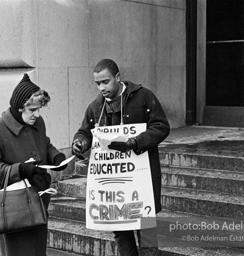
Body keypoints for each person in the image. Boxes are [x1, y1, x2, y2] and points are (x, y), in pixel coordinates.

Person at [72, 59, 170, 256]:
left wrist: (135, 142)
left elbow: (161, 127)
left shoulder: (144, 97)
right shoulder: (95, 107)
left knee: (147, 232)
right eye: (98, 84)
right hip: (114, 188)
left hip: (141, 182)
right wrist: (80, 142)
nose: (102, 88)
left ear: (118, 77)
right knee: (121, 234)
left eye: (106, 82)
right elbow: (84, 132)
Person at [0, 73, 67, 256]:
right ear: (19, 107)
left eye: (39, 109)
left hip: (38, 200)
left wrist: (56, 157)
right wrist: (20, 169)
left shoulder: (38, 122)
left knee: (37, 252)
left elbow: (45, 143)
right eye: (32, 110)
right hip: (14, 208)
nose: (37, 114)